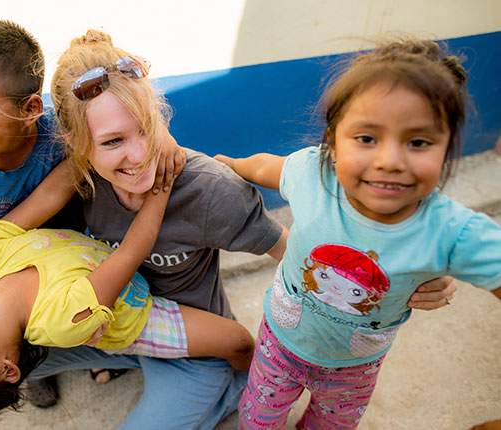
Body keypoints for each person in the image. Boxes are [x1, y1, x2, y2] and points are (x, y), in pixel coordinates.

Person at [19, 30, 457, 429]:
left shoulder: (210, 192)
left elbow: (293, 251)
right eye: (114, 141)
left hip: (192, 349)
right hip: (114, 324)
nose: (140, 154)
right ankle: (124, 362)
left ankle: (229, 389)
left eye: (148, 128)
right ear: (76, 143)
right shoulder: (72, 186)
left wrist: (395, 274)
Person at [214, 38, 501, 429]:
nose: (390, 161)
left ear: (447, 147)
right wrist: (230, 164)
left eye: (418, 142)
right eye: (367, 138)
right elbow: (268, 168)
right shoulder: (312, 174)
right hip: (278, 345)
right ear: (331, 143)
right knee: (257, 419)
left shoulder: (451, 231)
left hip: (354, 369)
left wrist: (446, 275)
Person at [0, 20, 184, 408]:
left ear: (32, 108)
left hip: (78, 251)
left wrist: (162, 136)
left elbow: (131, 120)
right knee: (26, 338)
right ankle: (36, 369)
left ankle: (103, 358)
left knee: (92, 320)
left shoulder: (63, 131)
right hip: (11, 264)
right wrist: (2, 304)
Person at [0, 182, 257, 429]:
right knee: (236, 341)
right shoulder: (63, 319)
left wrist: (81, 149)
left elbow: (50, 194)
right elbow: (131, 251)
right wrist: (160, 186)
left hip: (94, 317)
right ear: (8, 370)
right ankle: (240, 388)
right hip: (136, 322)